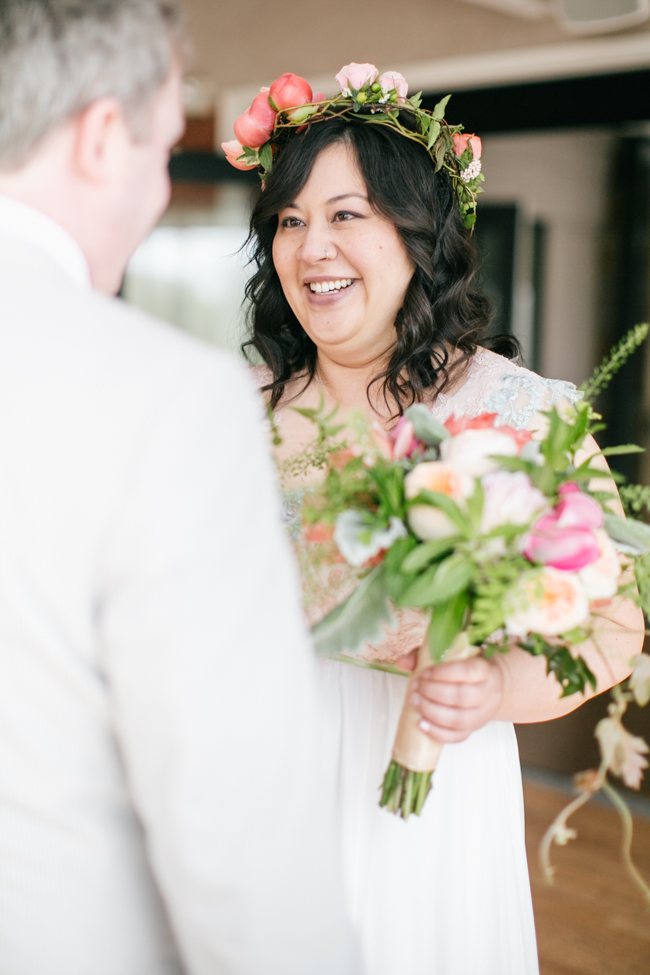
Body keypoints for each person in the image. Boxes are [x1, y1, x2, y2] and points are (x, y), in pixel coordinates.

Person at [237, 70, 645, 975]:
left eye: (346, 214)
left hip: (430, 791)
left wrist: (494, 686)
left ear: (418, 233)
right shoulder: (229, 408)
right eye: (290, 220)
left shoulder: (520, 412)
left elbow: (614, 626)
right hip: (249, 776)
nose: (311, 246)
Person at [0, 4, 360, 974]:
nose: (160, 190)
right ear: (100, 137)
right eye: (162, 150)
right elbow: (237, 830)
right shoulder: (169, 398)